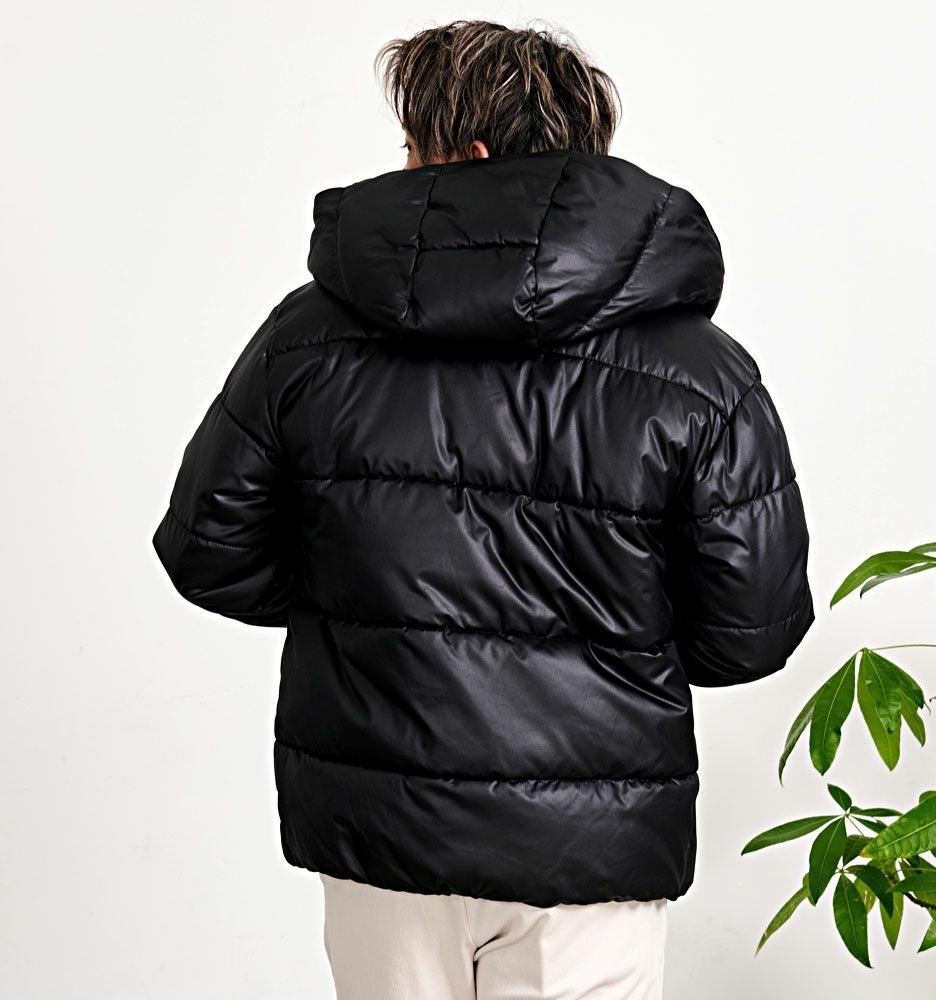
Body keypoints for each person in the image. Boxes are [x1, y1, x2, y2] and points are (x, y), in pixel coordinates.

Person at [151, 18, 815, 1000]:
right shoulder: (700, 372)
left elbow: (209, 550)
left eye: (410, 145)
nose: (401, 167)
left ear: (464, 158)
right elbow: (750, 631)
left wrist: (371, 606)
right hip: (590, 855)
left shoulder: (306, 339)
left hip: (386, 835)